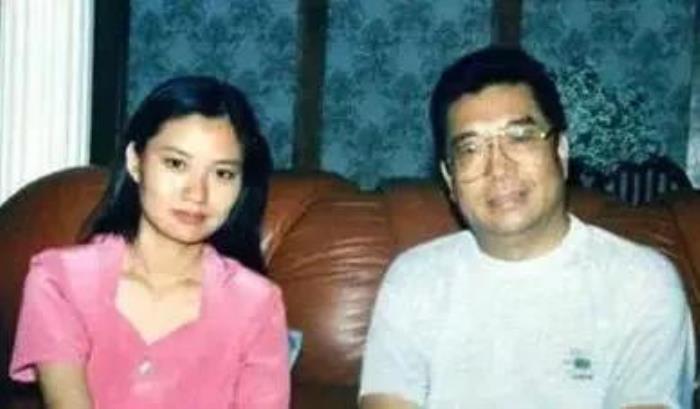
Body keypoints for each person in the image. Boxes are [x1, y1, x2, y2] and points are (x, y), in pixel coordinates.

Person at [359, 46, 695, 409]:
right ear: (449, 178)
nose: (498, 168)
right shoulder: (414, 280)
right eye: (471, 149)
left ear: (561, 152)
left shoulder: (640, 283)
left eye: (519, 137)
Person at [9, 76, 290, 409]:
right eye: (176, 164)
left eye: (222, 174)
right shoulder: (59, 280)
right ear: (135, 161)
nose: (197, 193)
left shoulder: (257, 304)